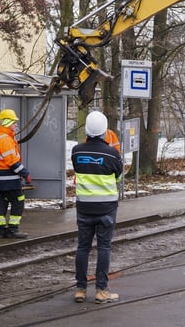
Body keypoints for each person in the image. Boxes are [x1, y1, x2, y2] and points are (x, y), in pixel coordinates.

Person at [72, 111, 123, 304]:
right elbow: (118, 176)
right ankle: (102, 291)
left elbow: (79, 170)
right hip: (106, 208)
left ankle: (80, 289)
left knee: (83, 247)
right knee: (104, 247)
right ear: (104, 131)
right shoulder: (112, 153)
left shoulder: (76, 151)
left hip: (84, 207)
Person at [0, 108, 32, 239]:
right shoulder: (5, 139)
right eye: (14, 122)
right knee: (18, 200)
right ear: (8, 122)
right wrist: (25, 173)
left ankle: (0, 230)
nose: (16, 125)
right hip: (8, 179)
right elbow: (12, 161)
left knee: (1, 202)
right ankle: (13, 229)